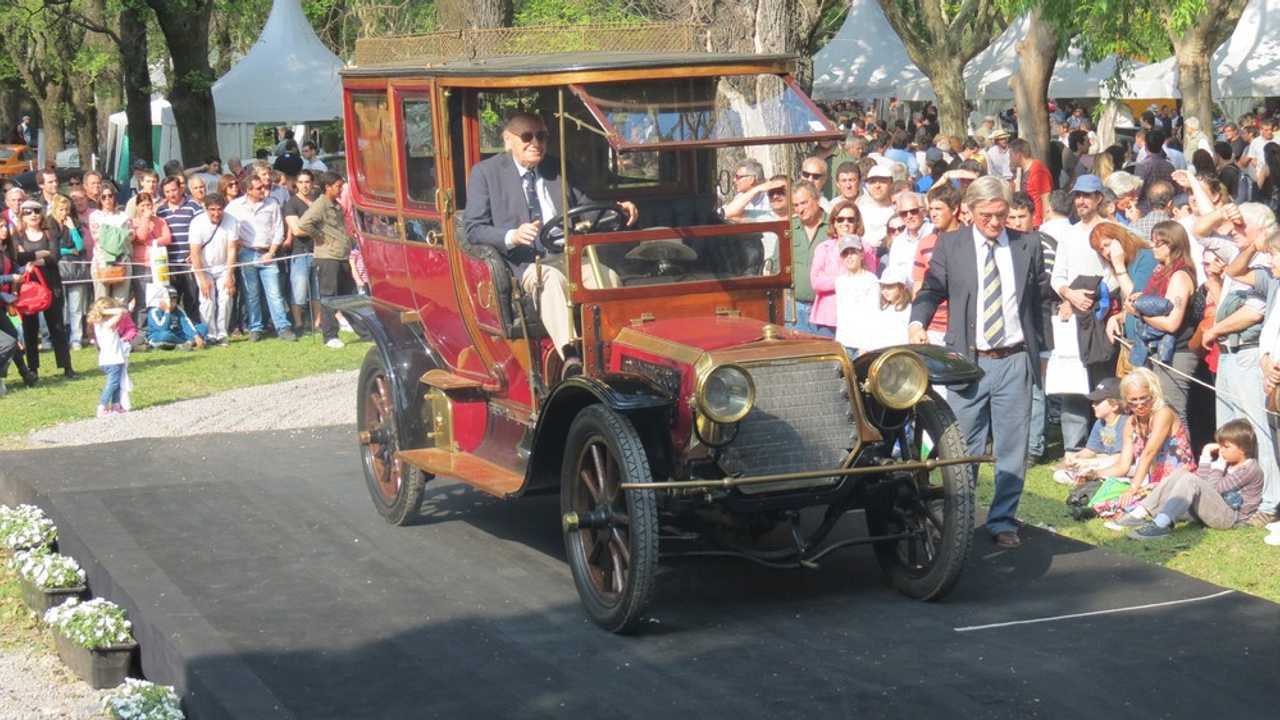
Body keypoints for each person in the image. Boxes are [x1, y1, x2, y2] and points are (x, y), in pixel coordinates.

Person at [909, 176, 1044, 549]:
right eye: (988, 215)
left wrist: (1041, 354)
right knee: (963, 448)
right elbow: (932, 289)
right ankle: (959, 517)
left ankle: (1003, 521)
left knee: (1013, 448)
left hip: (1014, 359)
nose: (997, 223)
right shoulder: (950, 245)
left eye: (1002, 215)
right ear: (968, 211)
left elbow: (1038, 301)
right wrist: (917, 321)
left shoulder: (1026, 244)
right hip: (969, 363)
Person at [463, 113, 637, 368]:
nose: (535, 143)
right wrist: (512, 236)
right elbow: (474, 229)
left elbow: (587, 211)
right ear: (508, 140)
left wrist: (617, 210)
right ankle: (571, 356)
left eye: (541, 136)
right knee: (551, 281)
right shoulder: (486, 173)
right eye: (527, 136)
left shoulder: (560, 168)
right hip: (527, 263)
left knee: (607, 277)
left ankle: (613, 352)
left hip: (570, 256)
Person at [1111, 419, 1263, 539]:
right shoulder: (1230, 463)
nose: (1221, 451)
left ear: (1243, 448)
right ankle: (1141, 512)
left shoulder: (1249, 469)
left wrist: (1216, 466)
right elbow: (1202, 482)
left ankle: (1161, 525)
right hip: (1215, 510)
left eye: (1226, 447)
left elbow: (1213, 488)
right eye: (1220, 446)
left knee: (1190, 479)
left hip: (1231, 519)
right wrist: (1205, 456)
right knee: (1181, 474)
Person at [1085, 368, 1196, 519]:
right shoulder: (1130, 423)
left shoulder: (1163, 414)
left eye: (1144, 398)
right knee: (1110, 489)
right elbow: (1122, 466)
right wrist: (1094, 474)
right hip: (1149, 481)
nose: (1139, 405)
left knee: (1132, 499)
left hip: (1177, 482)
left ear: (1154, 395)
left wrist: (1133, 488)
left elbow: (1148, 454)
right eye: (1133, 401)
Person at [10, 199, 75, 379]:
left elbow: (55, 257)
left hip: (52, 286)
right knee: (30, 330)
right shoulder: (17, 236)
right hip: (29, 290)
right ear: (22, 215)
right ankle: (33, 369)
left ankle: (67, 367)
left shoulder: (49, 233)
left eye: (37, 211)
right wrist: (40, 257)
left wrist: (34, 260)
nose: (33, 215)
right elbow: (18, 259)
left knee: (57, 328)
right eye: (28, 212)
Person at [226, 175, 294, 342]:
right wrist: (238, 242)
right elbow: (227, 227)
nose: (263, 190)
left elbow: (279, 229)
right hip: (247, 252)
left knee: (275, 292)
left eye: (263, 186)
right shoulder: (234, 207)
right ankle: (255, 327)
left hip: (268, 252)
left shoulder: (272, 204)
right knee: (251, 293)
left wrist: (271, 252)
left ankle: (282, 327)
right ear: (248, 190)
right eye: (258, 188)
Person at [296, 172, 356, 349]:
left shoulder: (335, 205)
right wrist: (318, 236)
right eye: (338, 186)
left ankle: (363, 329)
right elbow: (304, 223)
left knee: (350, 295)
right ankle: (330, 335)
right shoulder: (321, 204)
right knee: (329, 297)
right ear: (327, 187)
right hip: (327, 257)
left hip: (341, 255)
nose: (341, 189)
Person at [1053, 378, 1128, 485]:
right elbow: (1091, 450)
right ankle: (1087, 477)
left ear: (1114, 405)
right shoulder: (1100, 422)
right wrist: (1076, 457)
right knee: (1059, 475)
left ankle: (1093, 478)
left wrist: (1088, 462)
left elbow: (1118, 458)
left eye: (1098, 402)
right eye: (1093, 401)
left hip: (1118, 463)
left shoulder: (1124, 422)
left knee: (1100, 463)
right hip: (1103, 460)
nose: (1093, 405)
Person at [187, 193, 237, 345]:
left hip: (223, 266)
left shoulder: (231, 221)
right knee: (207, 299)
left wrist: (230, 275)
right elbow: (194, 253)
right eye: (212, 209)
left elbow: (232, 249)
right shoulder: (197, 223)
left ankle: (222, 333)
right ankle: (209, 333)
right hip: (204, 267)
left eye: (219, 209)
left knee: (226, 297)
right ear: (205, 209)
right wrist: (202, 279)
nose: (216, 213)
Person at [784, 182, 830, 335]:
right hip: (795, 310)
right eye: (795, 205)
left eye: (804, 203)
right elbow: (777, 264)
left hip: (826, 308)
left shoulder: (834, 226)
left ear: (816, 199)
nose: (800, 209)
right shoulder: (788, 228)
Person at [155, 176, 203, 322]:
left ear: (181, 189)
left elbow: (202, 232)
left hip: (189, 262)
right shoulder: (161, 211)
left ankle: (195, 327)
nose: (171, 194)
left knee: (192, 298)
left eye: (174, 190)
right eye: (167, 192)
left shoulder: (193, 207)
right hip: (170, 263)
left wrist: (195, 253)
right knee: (172, 298)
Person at [47, 195, 89, 350]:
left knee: (76, 306)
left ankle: (76, 338)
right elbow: (53, 248)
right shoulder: (49, 224)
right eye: (61, 209)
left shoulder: (74, 224)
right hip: (57, 269)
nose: (64, 213)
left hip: (75, 270)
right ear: (55, 209)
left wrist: (72, 228)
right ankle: (62, 337)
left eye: (67, 209)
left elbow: (79, 247)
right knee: (61, 306)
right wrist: (67, 250)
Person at [282, 169, 320, 333]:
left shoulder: (318, 201)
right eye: (301, 182)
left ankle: (318, 323)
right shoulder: (291, 204)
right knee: (299, 290)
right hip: (300, 252)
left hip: (319, 252)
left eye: (307, 182)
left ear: (312, 183)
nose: (305, 185)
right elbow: (296, 230)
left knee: (318, 291)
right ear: (296, 184)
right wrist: (319, 231)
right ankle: (298, 323)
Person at [833, 235, 879, 355]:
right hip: (843, 342)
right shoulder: (840, 281)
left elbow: (873, 314)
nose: (849, 257)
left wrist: (867, 344)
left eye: (853, 252)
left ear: (861, 255)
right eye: (845, 253)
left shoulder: (871, 280)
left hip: (863, 344)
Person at [88, 296, 131, 416]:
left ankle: (116, 406)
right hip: (112, 360)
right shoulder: (106, 325)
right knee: (112, 384)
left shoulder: (99, 324)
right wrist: (105, 310)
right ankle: (102, 406)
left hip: (113, 359)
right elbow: (122, 312)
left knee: (117, 383)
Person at [146, 286, 206, 350]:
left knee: (203, 327)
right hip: (160, 335)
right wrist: (167, 311)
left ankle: (187, 343)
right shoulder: (154, 311)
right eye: (170, 298)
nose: (173, 301)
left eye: (175, 298)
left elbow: (186, 323)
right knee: (165, 335)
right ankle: (186, 343)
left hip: (177, 334)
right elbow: (163, 328)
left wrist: (196, 336)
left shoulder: (178, 309)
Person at [1009, 138, 1052, 225]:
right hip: (1027, 220)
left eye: (1011, 155)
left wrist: (1045, 222)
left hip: (1037, 222)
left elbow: (1045, 197)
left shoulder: (1038, 170)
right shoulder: (1021, 171)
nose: (1010, 158)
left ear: (1018, 155)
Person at [857, 165, 896, 251]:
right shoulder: (859, 212)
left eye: (882, 181)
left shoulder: (898, 212)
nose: (877, 186)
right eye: (873, 182)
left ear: (891, 184)